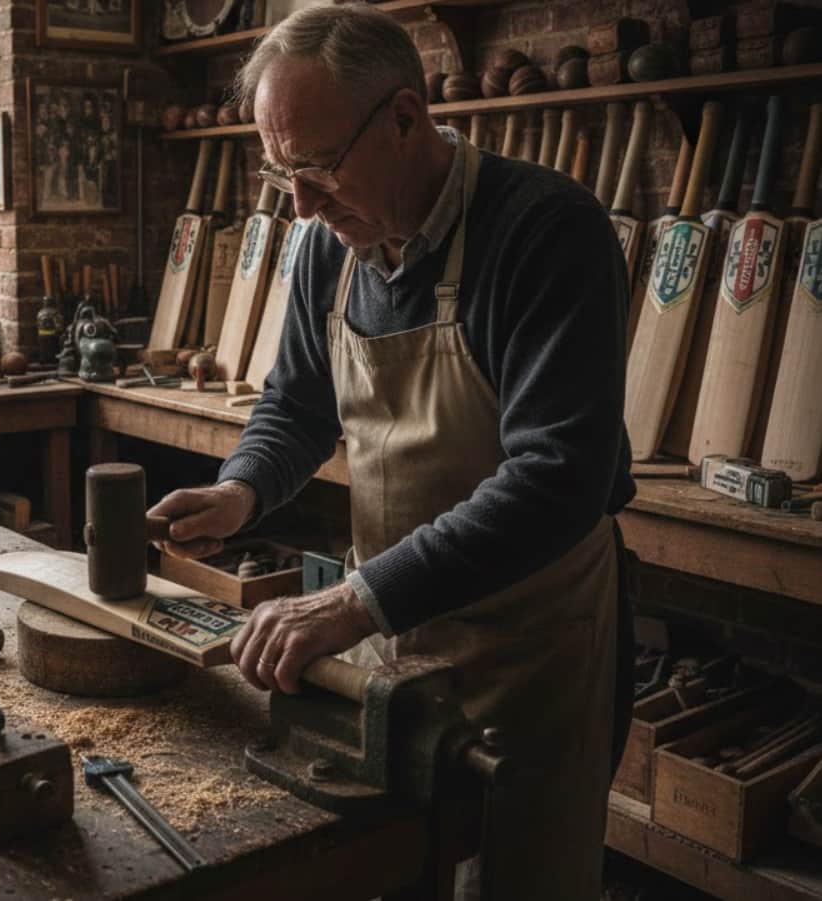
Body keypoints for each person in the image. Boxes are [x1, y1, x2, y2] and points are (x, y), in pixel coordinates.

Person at [147, 5, 636, 899]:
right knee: (393, 869)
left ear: (406, 119)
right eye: (279, 171)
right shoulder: (327, 244)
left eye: (318, 168)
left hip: (532, 650)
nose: (299, 203)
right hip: (389, 639)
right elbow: (295, 405)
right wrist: (242, 490)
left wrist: (356, 598)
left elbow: (557, 478)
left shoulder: (545, 233)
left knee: (515, 878)